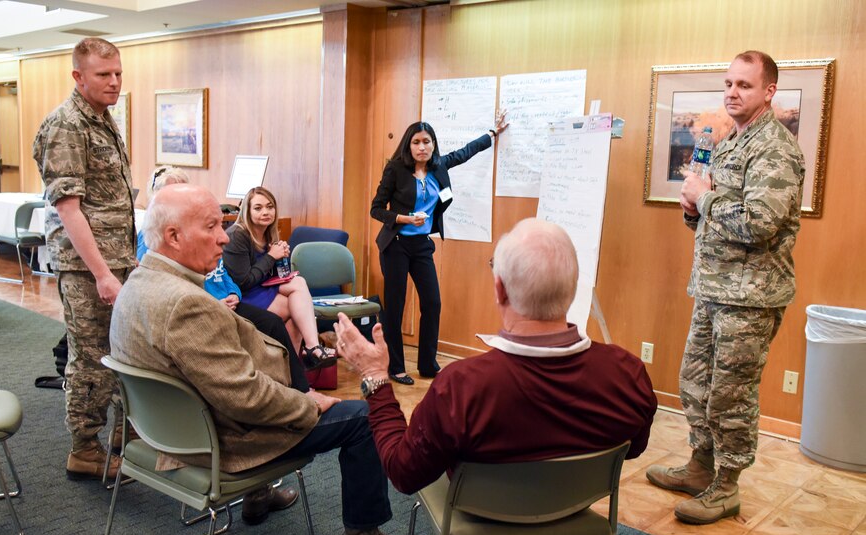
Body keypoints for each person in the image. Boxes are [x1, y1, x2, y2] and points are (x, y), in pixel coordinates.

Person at [110, 183, 420, 535]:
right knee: (362, 418)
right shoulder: (184, 303)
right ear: (173, 236)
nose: (224, 238)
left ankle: (258, 496)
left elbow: (219, 377)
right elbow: (246, 398)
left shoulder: (136, 284)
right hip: (224, 438)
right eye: (211, 227)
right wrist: (305, 402)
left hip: (172, 430)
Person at [334, 218, 657, 495]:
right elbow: (633, 449)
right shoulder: (628, 373)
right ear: (573, 289)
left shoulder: (462, 388)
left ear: (499, 289)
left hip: (484, 517)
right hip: (576, 509)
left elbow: (404, 473)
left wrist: (376, 377)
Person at [646, 50, 806, 525]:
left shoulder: (774, 148)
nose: (733, 92)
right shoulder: (731, 143)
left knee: (731, 396)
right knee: (695, 384)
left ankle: (728, 486)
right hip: (714, 289)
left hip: (750, 298)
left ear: (769, 92)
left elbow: (759, 224)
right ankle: (700, 467)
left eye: (745, 85)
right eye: (729, 84)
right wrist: (694, 212)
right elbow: (716, 219)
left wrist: (706, 199)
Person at [32, 37, 134, 481]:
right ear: (78, 76)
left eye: (117, 74)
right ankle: (85, 449)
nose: (113, 82)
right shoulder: (67, 125)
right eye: (103, 75)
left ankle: (123, 436)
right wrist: (103, 275)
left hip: (118, 259)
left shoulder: (102, 119)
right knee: (91, 358)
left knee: (123, 351)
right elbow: (68, 209)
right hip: (88, 268)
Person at [138, 166, 311, 395]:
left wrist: (234, 294)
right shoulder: (159, 248)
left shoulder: (255, 236)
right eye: (212, 227)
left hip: (229, 298)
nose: (222, 237)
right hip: (214, 305)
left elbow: (224, 276)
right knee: (280, 317)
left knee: (291, 303)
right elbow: (193, 286)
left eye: (269, 207)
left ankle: (298, 380)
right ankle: (298, 384)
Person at [371, 113, 508, 385]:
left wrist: (492, 133)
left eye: (427, 142)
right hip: (396, 244)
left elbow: (466, 152)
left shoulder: (439, 167)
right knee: (396, 307)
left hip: (422, 246)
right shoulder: (395, 170)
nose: (422, 147)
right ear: (408, 146)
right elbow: (376, 208)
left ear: (433, 145)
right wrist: (404, 219)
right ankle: (396, 366)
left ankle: (427, 364)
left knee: (432, 303)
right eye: (416, 142)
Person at [223, 187, 335, 369]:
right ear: (247, 211)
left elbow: (272, 276)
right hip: (242, 296)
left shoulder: (269, 233)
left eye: (270, 206)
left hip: (262, 288)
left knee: (298, 294)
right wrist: (271, 257)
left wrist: (280, 259)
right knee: (296, 309)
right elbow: (244, 282)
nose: (266, 212)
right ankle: (307, 355)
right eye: (258, 208)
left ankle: (296, 368)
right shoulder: (237, 235)